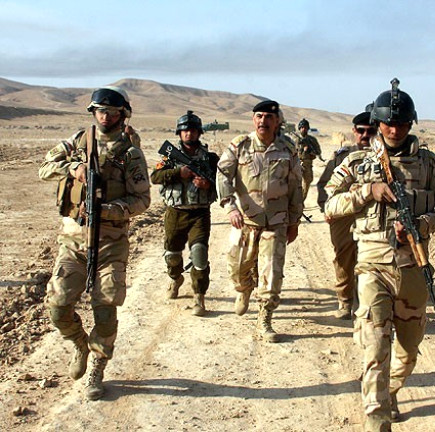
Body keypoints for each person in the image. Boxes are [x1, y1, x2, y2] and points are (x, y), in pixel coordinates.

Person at [324, 80, 435, 431]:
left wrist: (425, 223)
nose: (394, 130)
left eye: (401, 123)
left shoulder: (429, 165)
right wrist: (367, 191)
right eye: (388, 123)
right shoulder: (358, 163)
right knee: (375, 345)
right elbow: (330, 206)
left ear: (410, 123)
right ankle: (377, 415)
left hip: (412, 266)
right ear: (378, 123)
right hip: (372, 267)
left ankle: (391, 390)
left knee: (409, 350)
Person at [38, 86, 150, 400]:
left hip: (111, 243)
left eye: (112, 113)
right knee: (58, 305)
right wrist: (72, 168)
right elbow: (44, 169)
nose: (105, 117)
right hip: (73, 240)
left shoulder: (130, 153)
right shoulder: (78, 141)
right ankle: (79, 343)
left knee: (105, 308)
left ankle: (97, 369)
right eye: (100, 111)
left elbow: (142, 200)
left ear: (122, 115)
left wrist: (109, 210)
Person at [216, 100, 303, 343]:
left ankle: (265, 318)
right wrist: (230, 207)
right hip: (245, 221)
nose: (263, 121)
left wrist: (294, 221)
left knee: (272, 273)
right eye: (259, 116)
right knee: (237, 268)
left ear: (277, 121)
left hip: (276, 222)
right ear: (253, 119)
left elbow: (296, 187)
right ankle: (243, 289)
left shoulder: (288, 149)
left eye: (268, 117)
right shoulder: (240, 145)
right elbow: (223, 175)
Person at [150, 111, 219, 316]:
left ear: (199, 133)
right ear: (179, 133)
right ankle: (175, 278)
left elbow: (222, 185)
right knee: (172, 255)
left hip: (200, 213)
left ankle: (199, 296)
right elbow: (155, 177)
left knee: (199, 254)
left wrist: (208, 185)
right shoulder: (170, 156)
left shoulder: (210, 159)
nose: (189, 134)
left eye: (193, 130)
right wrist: (178, 173)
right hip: (175, 212)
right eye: (185, 130)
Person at [316, 109, 376, 319]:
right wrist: (327, 209)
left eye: (371, 131)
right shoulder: (342, 156)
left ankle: (365, 301)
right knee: (344, 259)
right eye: (361, 131)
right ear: (354, 131)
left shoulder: (384, 157)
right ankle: (345, 300)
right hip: (343, 217)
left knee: (371, 258)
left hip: (372, 216)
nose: (365, 135)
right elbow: (324, 185)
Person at [296, 118, 322, 204]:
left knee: (307, 182)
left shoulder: (312, 140)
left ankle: (300, 201)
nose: (304, 129)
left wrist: (310, 151)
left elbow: (318, 151)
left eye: (305, 128)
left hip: (307, 164)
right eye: (302, 127)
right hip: (296, 164)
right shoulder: (295, 139)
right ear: (299, 128)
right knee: (294, 184)